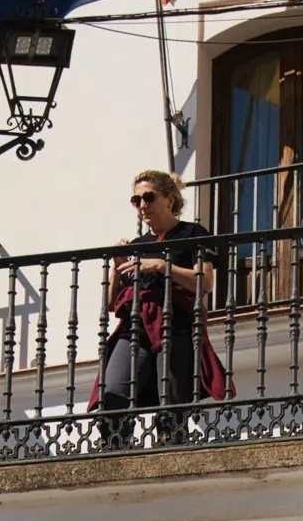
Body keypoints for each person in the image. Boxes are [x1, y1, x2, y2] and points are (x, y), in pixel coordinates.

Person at [94, 170, 227, 445]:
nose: (142, 205)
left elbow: (205, 282)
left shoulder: (192, 233)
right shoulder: (137, 245)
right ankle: (114, 452)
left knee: (171, 401)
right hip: (135, 327)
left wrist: (162, 266)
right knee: (113, 395)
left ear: (169, 199)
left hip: (174, 325)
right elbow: (111, 302)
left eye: (149, 197)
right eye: (136, 200)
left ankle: (171, 448)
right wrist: (118, 264)